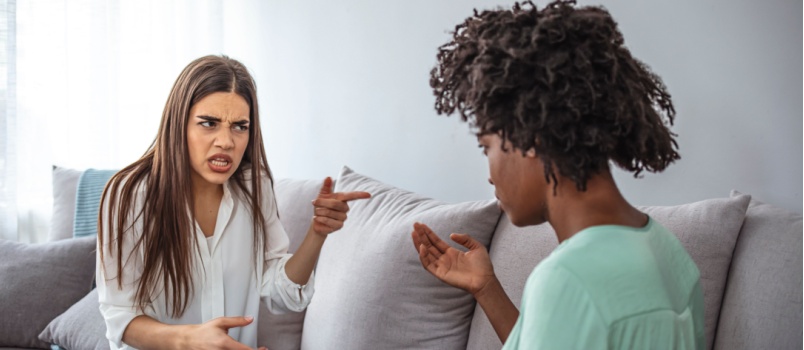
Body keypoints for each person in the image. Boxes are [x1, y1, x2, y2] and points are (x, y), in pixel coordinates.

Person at [411, 1, 704, 349]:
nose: (490, 176)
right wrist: (486, 288)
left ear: (528, 137)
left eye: (486, 147)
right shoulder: (669, 253)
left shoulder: (568, 280)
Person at [97, 55, 371, 350]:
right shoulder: (128, 195)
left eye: (240, 126)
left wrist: (317, 233)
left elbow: (282, 294)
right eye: (209, 123)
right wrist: (189, 340)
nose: (226, 141)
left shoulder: (255, 186)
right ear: (179, 124)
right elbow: (120, 317)